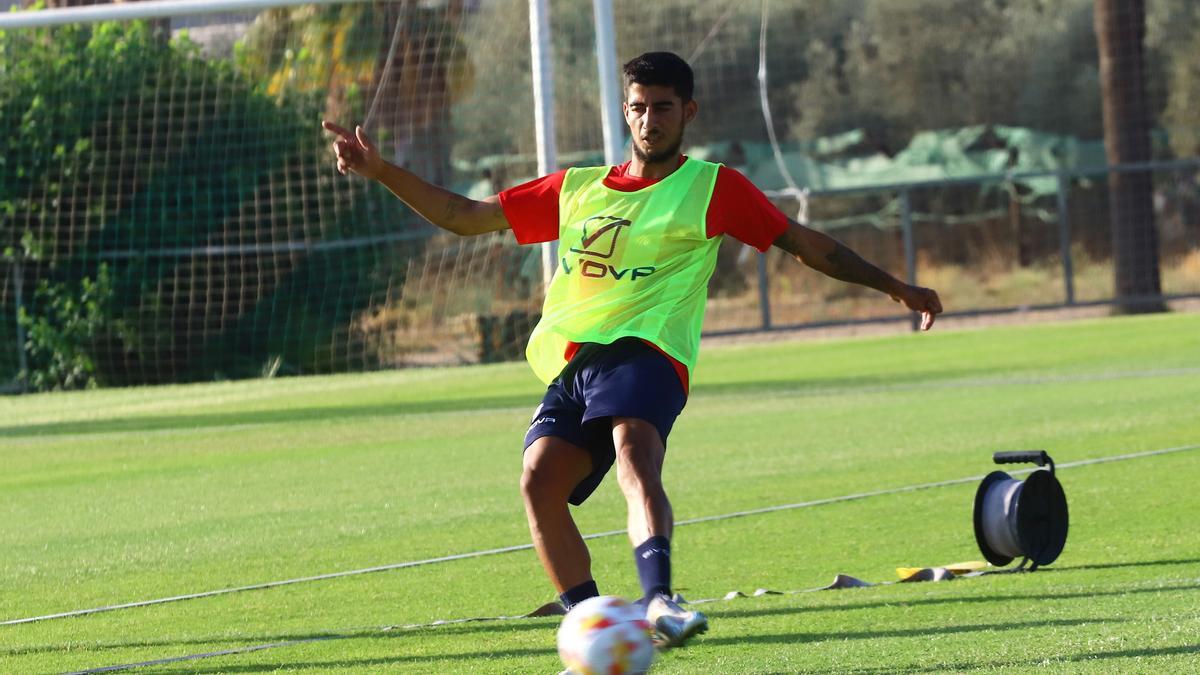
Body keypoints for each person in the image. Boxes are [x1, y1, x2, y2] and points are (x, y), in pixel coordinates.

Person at [323, 51, 942, 650]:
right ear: (626, 112)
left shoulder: (713, 188)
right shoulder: (577, 188)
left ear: (688, 112)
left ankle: (659, 603)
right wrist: (381, 171)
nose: (651, 120)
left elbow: (808, 245)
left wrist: (896, 287)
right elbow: (463, 215)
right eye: (640, 108)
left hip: (650, 350)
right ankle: (594, 625)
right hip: (576, 362)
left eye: (664, 108)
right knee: (538, 482)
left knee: (633, 454)